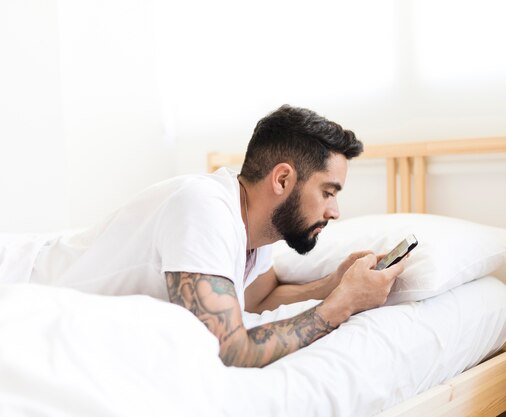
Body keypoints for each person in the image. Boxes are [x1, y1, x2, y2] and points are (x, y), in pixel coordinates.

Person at [16, 105, 406, 367]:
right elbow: (228, 348)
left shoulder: (255, 229)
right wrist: (341, 304)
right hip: (18, 281)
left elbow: (257, 297)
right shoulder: (203, 207)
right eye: (328, 192)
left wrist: (331, 284)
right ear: (283, 179)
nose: (334, 212)